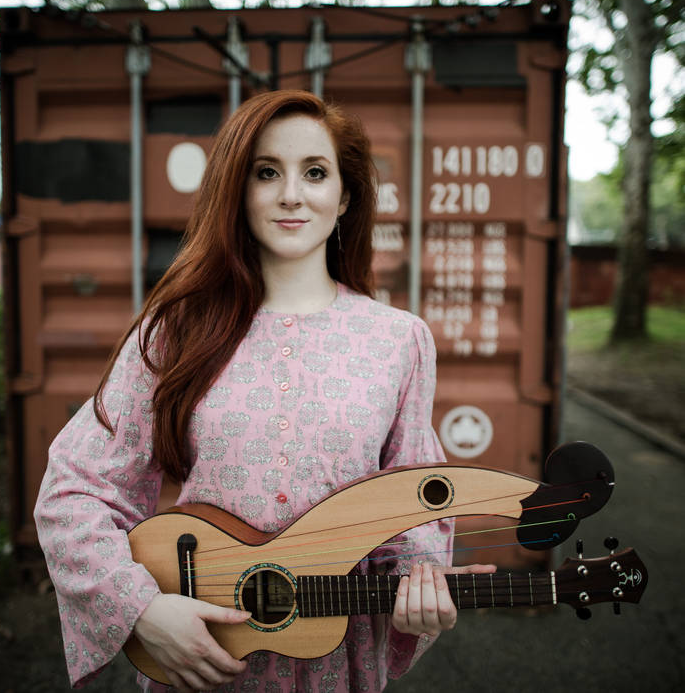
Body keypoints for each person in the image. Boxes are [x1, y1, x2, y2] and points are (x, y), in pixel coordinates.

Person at [34, 90, 494, 693]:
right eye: (267, 172)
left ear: (345, 196)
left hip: (335, 667)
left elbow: (416, 499)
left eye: (315, 173)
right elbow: (76, 489)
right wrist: (143, 611)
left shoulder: (398, 340)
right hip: (200, 667)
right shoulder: (176, 330)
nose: (291, 195)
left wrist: (420, 579)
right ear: (237, 190)